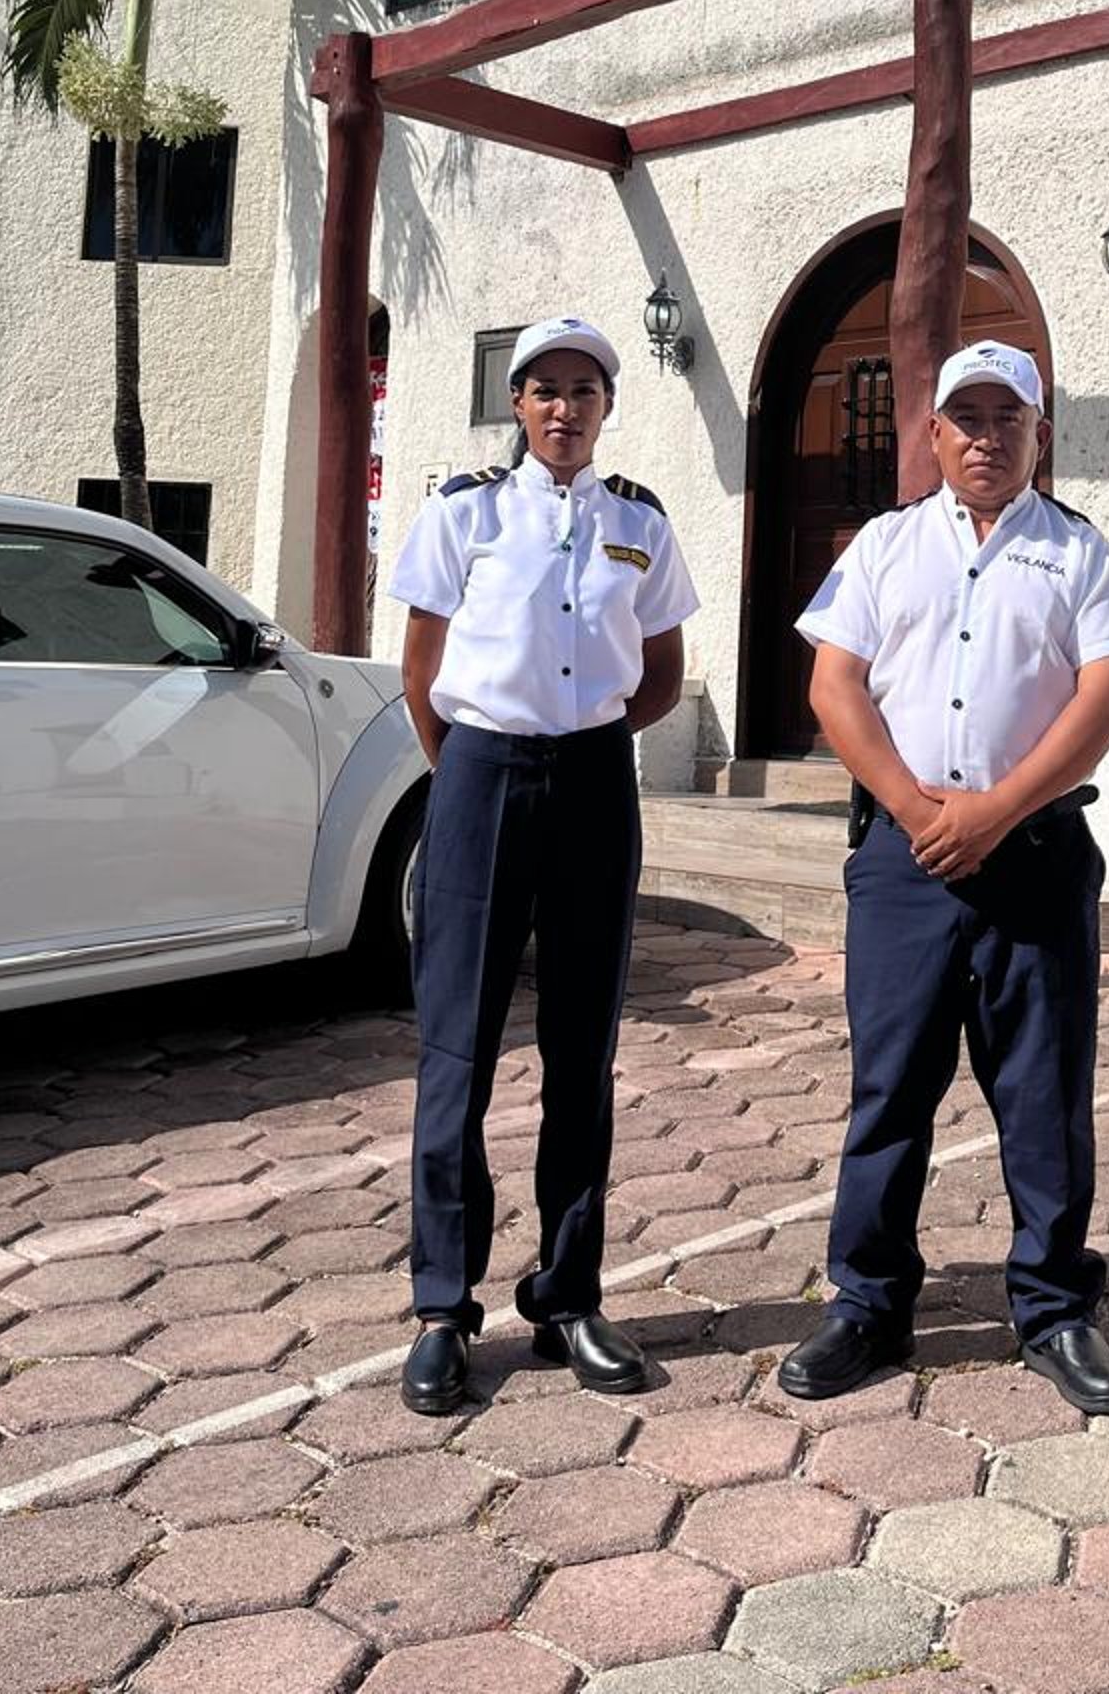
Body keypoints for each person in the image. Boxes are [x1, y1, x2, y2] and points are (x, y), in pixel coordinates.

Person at [779, 338, 1109, 1413]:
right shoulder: (886, 546)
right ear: (932, 433)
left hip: (1032, 855)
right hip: (904, 861)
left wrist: (996, 809)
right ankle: (868, 1302)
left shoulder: (1077, 551)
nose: (986, 436)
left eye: (1008, 418)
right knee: (889, 1087)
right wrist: (914, 807)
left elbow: (1106, 700)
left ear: (1041, 436)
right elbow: (835, 685)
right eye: (966, 417)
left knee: (1041, 1094)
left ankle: (1053, 1305)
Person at [388, 314, 698, 1414]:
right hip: (480, 774)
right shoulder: (463, 509)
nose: (565, 407)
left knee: (582, 1046)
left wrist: (586, 739)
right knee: (455, 1049)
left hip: (594, 783)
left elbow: (659, 674)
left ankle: (568, 1296)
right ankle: (441, 1307)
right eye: (545, 389)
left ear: (607, 407)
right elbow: (423, 669)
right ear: (517, 406)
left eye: (585, 390)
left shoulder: (640, 526)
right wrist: (475, 764)